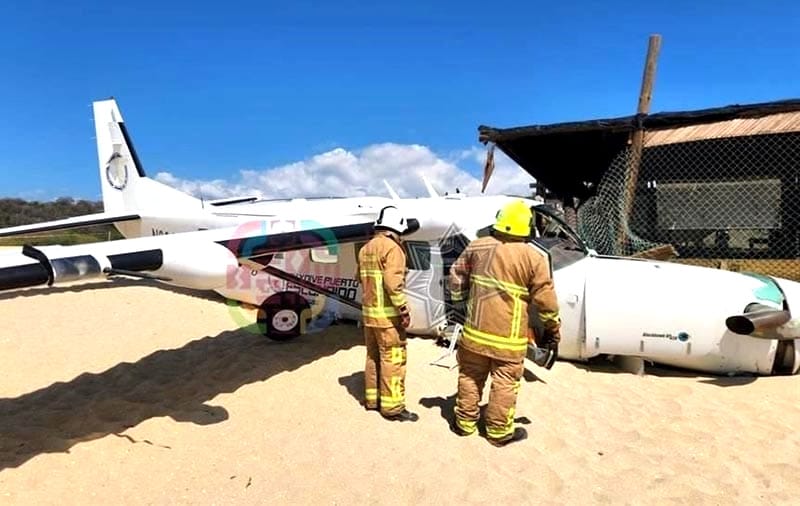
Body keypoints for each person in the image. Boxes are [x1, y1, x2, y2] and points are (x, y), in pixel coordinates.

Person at [448, 200, 561, 446]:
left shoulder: (477, 247)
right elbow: (547, 301)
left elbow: (455, 278)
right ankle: (498, 433)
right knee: (504, 383)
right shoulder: (534, 258)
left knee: (469, 376)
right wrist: (553, 328)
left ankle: (464, 423)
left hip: (474, 333)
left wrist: (459, 303)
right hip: (508, 340)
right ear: (526, 228)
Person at [357, 205, 418, 422]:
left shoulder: (365, 249)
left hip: (369, 316)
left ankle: (372, 401)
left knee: (373, 357)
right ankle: (392, 408)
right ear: (397, 228)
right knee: (393, 360)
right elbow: (393, 284)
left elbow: (360, 279)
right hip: (388, 319)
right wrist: (403, 309)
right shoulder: (393, 249)